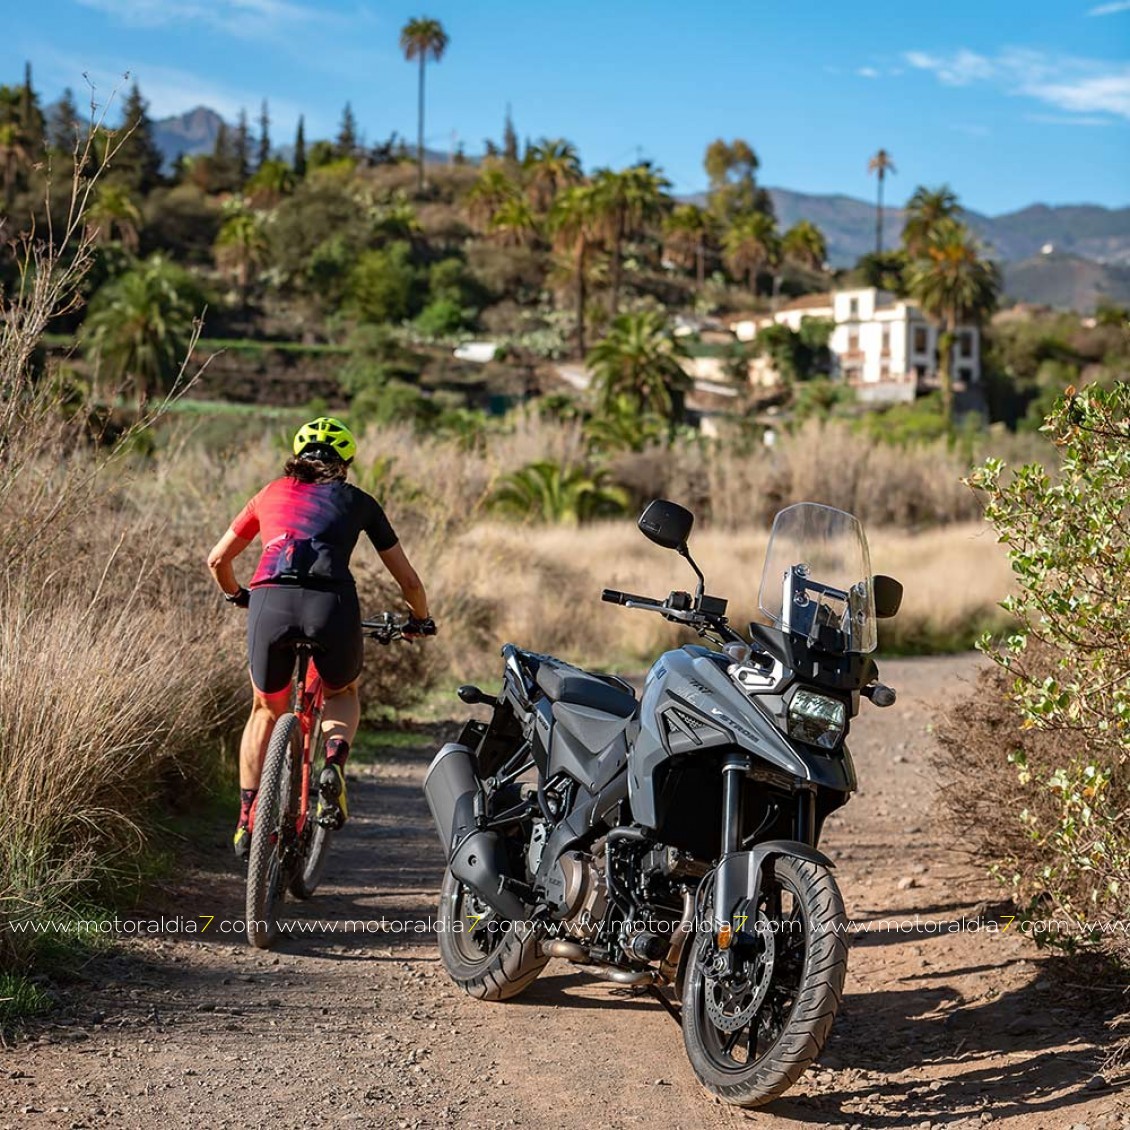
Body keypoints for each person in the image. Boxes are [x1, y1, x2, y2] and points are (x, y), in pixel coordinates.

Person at [206, 416, 432, 860]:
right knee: (342, 690)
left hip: (271, 601)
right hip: (331, 605)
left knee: (265, 709)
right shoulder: (359, 501)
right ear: (345, 463)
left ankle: (246, 819)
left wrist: (238, 595)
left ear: (297, 457)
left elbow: (217, 560)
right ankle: (332, 764)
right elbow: (407, 581)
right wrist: (419, 619)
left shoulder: (268, 493)